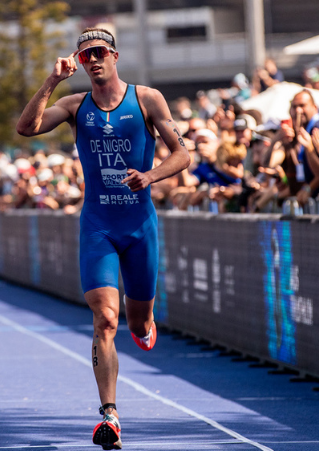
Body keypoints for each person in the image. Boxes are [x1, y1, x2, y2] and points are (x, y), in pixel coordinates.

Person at [16, 27, 190, 450]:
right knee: (105, 319)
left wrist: (149, 176)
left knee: (136, 320)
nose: (92, 60)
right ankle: (110, 415)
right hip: (98, 226)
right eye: (85, 56)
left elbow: (183, 154)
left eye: (98, 52)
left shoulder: (147, 99)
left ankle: (144, 324)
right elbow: (26, 128)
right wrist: (52, 80)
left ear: (114, 55)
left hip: (139, 226)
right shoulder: (75, 106)